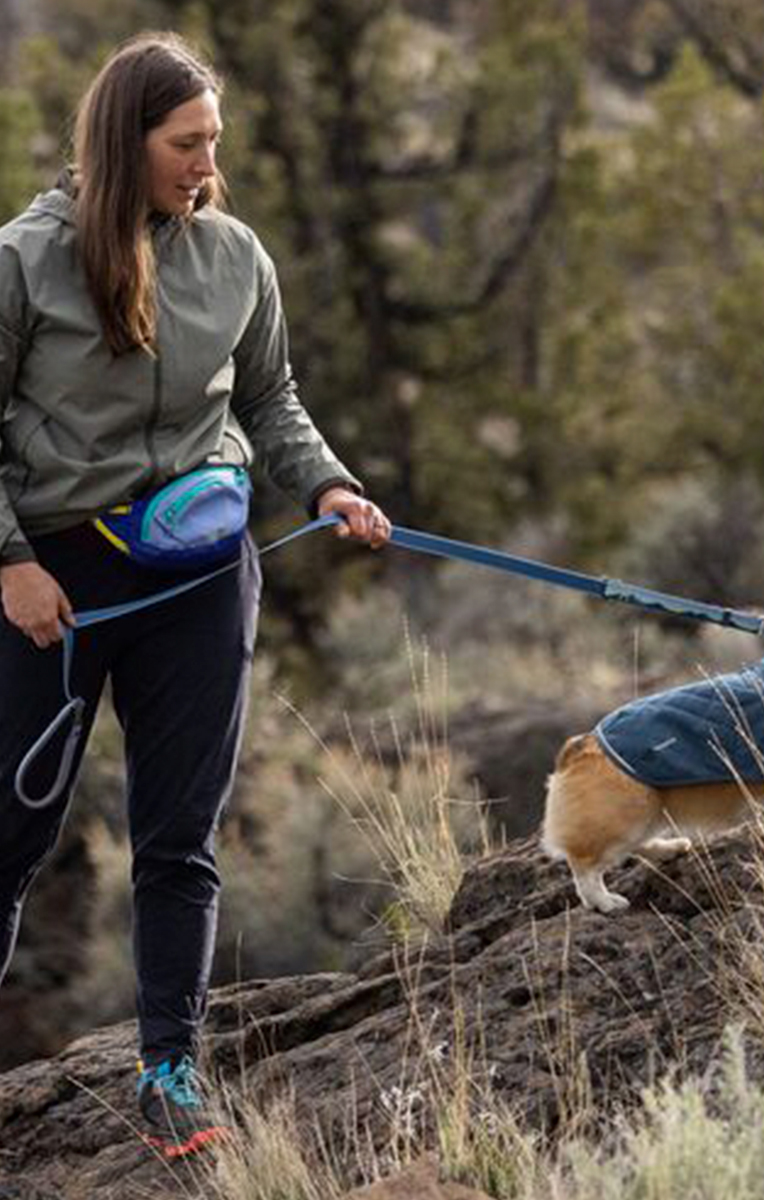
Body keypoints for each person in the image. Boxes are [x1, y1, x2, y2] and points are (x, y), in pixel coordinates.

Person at [0, 32, 390, 1154]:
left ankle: (171, 1072)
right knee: (11, 836)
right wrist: (13, 564)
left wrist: (326, 484)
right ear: (127, 142)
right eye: (186, 144)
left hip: (202, 572)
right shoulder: (27, 263)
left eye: (214, 142)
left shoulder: (235, 256)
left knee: (180, 838)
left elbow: (270, 400)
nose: (206, 165)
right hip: (55, 582)